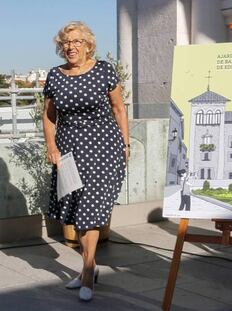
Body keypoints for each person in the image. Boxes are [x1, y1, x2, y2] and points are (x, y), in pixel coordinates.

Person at [42, 21, 129, 302]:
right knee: (77, 210)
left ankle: (88, 271)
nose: (71, 47)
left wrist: (125, 143)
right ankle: (86, 268)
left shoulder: (103, 70)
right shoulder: (55, 76)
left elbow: (119, 108)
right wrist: (51, 146)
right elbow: (49, 115)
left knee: (90, 209)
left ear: (88, 44)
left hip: (104, 148)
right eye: (66, 42)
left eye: (77, 41)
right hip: (69, 151)